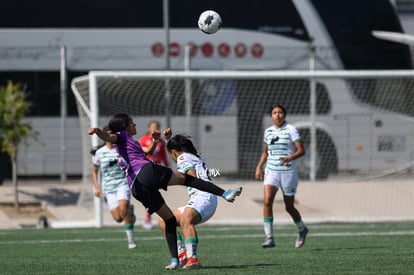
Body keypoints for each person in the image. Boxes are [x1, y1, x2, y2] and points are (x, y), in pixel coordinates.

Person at [88, 113, 242, 270]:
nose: (135, 125)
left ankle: (175, 260)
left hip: (137, 188)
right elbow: (108, 136)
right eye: (132, 123)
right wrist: (98, 132)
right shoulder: (121, 136)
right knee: (187, 179)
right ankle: (224, 193)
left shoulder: (129, 143)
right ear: (125, 126)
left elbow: (147, 151)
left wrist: (156, 141)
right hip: (146, 172)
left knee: (167, 220)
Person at [158, 135, 217, 269]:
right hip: (200, 198)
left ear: (173, 152)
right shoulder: (190, 156)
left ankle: (193, 260)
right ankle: (182, 255)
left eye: (170, 154)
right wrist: (169, 140)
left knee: (186, 219)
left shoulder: (182, 157)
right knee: (164, 221)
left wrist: (167, 180)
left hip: (204, 196)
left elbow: (191, 177)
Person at [255, 104, 309, 249]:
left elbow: (301, 150)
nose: (277, 115)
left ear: (284, 115)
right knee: (267, 201)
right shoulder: (268, 131)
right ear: (271, 116)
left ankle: (302, 229)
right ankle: (269, 237)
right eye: (274, 113)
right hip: (271, 171)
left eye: (280, 112)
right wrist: (259, 167)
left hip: (288, 172)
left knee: (289, 207)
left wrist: (289, 158)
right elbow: (265, 152)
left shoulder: (291, 130)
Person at [91, 127, 136, 249]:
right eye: (108, 134)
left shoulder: (121, 149)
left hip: (123, 184)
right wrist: (96, 187)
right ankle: (129, 211)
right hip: (108, 188)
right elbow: (94, 171)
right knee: (118, 218)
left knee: (123, 211)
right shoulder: (100, 153)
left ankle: (131, 241)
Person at [138, 120, 169, 230]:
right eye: (152, 127)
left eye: (156, 127)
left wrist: (167, 166)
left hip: (158, 170)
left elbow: (163, 156)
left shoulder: (160, 141)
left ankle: (159, 217)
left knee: (153, 195)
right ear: (149, 128)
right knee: (149, 194)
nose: (154, 129)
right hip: (146, 169)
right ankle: (148, 219)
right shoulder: (143, 140)